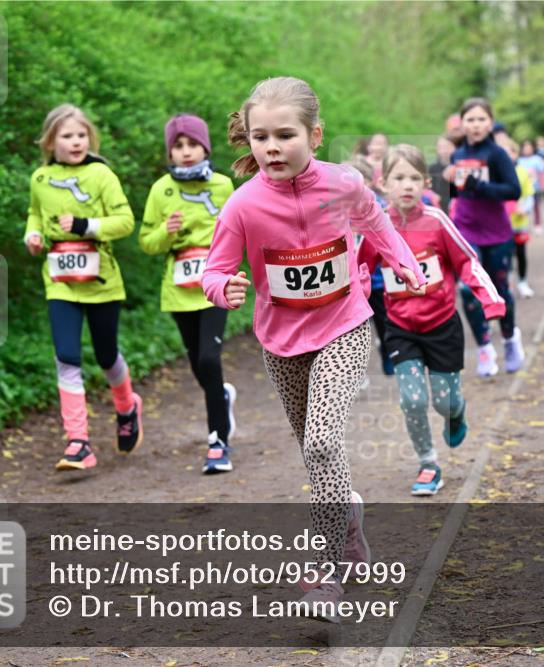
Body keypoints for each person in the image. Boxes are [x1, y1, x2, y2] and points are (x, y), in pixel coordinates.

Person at [201, 77, 425, 619]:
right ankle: (349, 525)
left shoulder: (343, 184)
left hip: (345, 325)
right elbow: (215, 269)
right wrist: (223, 288)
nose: (271, 147)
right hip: (280, 343)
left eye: (284, 135)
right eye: (260, 137)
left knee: (323, 442)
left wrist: (403, 263)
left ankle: (325, 574)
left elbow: (375, 222)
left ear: (315, 135)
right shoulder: (244, 205)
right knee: (316, 451)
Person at [359, 145, 505, 495]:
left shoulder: (437, 222)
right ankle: (428, 464)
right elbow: (357, 266)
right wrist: (352, 301)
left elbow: (468, 261)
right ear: (383, 185)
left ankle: (457, 412)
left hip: (441, 325)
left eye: (414, 178)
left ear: (426, 183)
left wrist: (491, 300)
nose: (406, 186)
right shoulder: (377, 227)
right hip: (400, 329)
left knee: (445, 402)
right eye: (399, 178)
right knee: (411, 400)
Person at [24, 103, 142, 472]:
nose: (75, 142)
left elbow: (124, 221)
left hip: (102, 280)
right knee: (67, 356)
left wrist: (84, 226)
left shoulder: (100, 174)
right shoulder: (40, 178)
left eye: (81, 135)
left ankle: (127, 407)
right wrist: (33, 233)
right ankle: (78, 442)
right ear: (50, 141)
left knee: (106, 356)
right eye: (67, 136)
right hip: (60, 282)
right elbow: (34, 212)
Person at [139, 114, 238, 473]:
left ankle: (218, 441)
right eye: (178, 146)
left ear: (205, 147)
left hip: (215, 285)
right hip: (179, 289)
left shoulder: (224, 186)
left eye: (192, 144)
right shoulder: (160, 189)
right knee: (199, 364)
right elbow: (147, 243)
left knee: (211, 360)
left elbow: (241, 230)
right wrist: (166, 232)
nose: (185, 152)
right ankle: (222, 398)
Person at [444, 97, 524, 377]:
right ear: (462, 123)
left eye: (481, 119)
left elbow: (513, 191)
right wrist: (450, 184)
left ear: (490, 122)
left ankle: (510, 338)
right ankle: (485, 348)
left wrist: (482, 186)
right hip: (466, 230)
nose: (476, 125)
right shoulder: (456, 156)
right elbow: (458, 193)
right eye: (470, 119)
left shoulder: (497, 154)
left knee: (500, 291)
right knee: (468, 290)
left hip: (497, 233)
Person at [345, 155, 393, 377]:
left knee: (384, 323)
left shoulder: (379, 206)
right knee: (352, 329)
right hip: (349, 282)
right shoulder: (335, 210)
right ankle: (355, 370)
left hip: (376, 279)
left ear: (368, 183)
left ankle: (388, 353)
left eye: (358, 181)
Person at [498, 138, 537, 298]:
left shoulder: (523, 172)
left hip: (519, 222)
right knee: (503, 256)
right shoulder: (496, 173)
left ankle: (523, 282)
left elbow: (529, 195)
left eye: (510, 152)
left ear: (515, 154)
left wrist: (524, 208)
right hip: (501, 224)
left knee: (520, 254)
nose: (507, 156)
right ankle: (506, 284)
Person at [517, 138, 544, 235]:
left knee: (536, 206)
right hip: (523, 189)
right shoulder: (519, 160)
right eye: (525, 148)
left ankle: (537, 224)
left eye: (529, 148)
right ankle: (523, 225)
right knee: (523, 207)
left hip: (535, 187)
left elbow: (542, 173)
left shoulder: (537, 159)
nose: (527, 150)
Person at [427, 134, 457, 213]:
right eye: (441, 147)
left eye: (448, 147)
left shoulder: (462, 166)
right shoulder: (432, 169)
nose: (444, 151)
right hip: (439, 208)